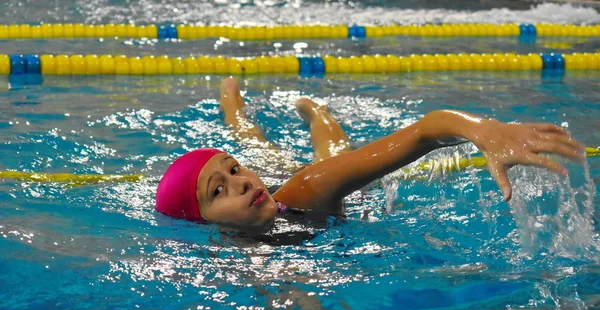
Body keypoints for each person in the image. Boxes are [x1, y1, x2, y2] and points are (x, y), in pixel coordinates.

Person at [155, 77, 585, 231]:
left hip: (325, 196)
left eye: (233, 170)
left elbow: (425, 131)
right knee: (265, 150)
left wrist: (483, 130)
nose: (244, 181)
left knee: (329, 151)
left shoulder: (305, 191)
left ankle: (310, 109)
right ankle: (235, 107)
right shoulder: (226, 257)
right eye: (219, 189)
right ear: (202, 223)